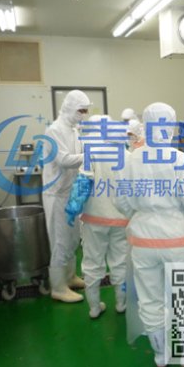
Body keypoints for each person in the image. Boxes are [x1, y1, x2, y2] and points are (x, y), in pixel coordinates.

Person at [115, 102, 184, 367]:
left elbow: (121, 203)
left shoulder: (130, 160)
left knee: (150, 298)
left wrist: (142, 212)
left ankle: (160, 355)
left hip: (142, 240)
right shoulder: (179, 159)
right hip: (177, 239)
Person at [73, 115, 130, 319]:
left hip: (94, 218)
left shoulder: (92, 152)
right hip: (121, 219)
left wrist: (73, 206)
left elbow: (83, 183)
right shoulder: (127, 155)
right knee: (120, 262)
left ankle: (95, 307)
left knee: (92, 263)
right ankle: (121, 304)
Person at [42, 90, 90, 303]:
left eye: (85, 111)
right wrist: (91, 155)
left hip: (70, 191)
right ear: (70, 107)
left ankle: (70, 277)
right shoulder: (54, 130)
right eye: (81, 110)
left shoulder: (74, 130)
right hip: (56, 194)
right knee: (60, 240)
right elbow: (63, 160)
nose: (83, 115)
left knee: (72, 238)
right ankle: (58, 287)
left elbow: (80, 153)